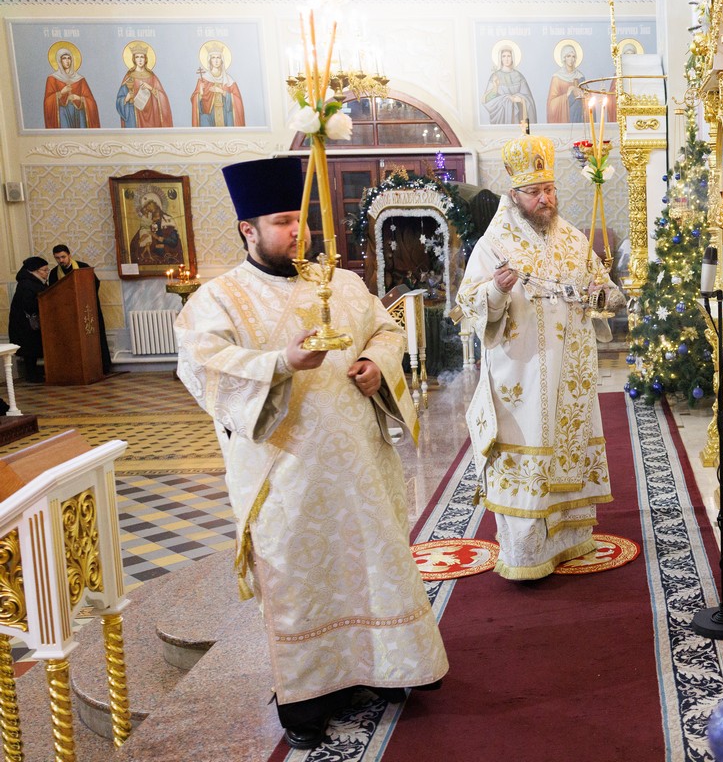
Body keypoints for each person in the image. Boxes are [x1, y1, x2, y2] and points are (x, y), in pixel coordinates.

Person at [175, 157, 448, 749]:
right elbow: (202, 366)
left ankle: (384, 666)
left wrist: (376, 363)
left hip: (359, 467)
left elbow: (388, 329)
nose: (296, 232)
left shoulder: (342, 284)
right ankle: (307, 700)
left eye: (299, 220)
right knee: (301, 582)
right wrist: (282, 362)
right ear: (247, 229)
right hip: (285, 475)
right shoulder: (218, 300)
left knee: (372, 565)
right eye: (281, 222)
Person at [455, 133, 626, 580]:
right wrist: (497, 289)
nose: (545, 199)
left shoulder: (570, 238)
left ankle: (569, 541)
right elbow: (468, 303)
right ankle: (526, 553)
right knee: (526, 452)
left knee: (568, 447)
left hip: (571, 372)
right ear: (515, 194)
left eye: (549, 189)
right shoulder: (494, 243)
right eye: (534, 192)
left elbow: (607, 292)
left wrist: (600, 294)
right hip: (522, 373)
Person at [48, 244, 112, 374]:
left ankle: (101, 367)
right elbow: (53, 292)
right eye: (57, 258)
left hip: (88, 308)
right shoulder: (54, 273)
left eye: (63, 257)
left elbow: (95, 284)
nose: (61, 260)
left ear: (69, 255)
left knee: (94, 337)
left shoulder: (83, 268)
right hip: (68, 312)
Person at [115, 41, 174, 128]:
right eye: (137, 57)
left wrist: (150, 88)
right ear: (134, 59)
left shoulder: (152, 77)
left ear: (145, 59)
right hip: (134, 116)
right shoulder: (129, 76)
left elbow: (162, 97)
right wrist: (126, 98)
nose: (139, 60)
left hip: (152, 116)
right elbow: (119, 100)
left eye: (142, 57)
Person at [8, 257, 49, 382]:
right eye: (44, 270)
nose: (47, 272)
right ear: (34, 271)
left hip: (31, 323)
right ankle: (32, 375)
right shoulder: (26, 284)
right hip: (25, 324)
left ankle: (34, 374)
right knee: (30, 350)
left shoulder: (34, 282)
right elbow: (29, 304)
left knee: (32, 349)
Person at [43, 44, 100, 129]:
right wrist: (61, 93)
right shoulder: (52, 79)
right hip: (63, 114)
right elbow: (47, 102)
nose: (67, 61)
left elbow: (92, 102)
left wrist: (79, 98)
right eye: (64, 58)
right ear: (59, 61)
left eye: (69, 58)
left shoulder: (80, 79)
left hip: (78, 114)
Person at [190, 41, 245, 127]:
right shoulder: (203, 79)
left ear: (222, 60)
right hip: (209, 118)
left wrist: (222, 91)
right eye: (213, 58)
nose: (216, 60)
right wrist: (200, 92)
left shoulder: (229, 80)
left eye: (218, 58)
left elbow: (238, 100)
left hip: (226, 118)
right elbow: (195, 101)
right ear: (210, 60)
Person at [482, 42, 536, 125]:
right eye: (504, 56)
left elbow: (529, 99)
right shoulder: (495, 76)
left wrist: (521, 99)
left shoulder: (519, 76)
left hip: (518, 118)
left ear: (512, 58)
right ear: (500, 58)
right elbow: (486, 100)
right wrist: (495, 88)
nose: (506, 59)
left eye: (509, 56)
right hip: (501, 118)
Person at [128, 192, 183, 266]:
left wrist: (161, 241)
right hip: (151, 259)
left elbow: (174, 242)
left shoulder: (167, 220)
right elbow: (133, 245)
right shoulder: (147, 223)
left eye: (149, 203)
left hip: (166, 256)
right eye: (146, 206)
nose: (148, 207)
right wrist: (140, 241)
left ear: (156, 202)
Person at [546, 42, 586, 124]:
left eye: (573, 56)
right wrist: (568, 94)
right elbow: (551, 105)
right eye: (568, 56)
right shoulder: (557, 77)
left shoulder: (580, 76)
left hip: (578, 117)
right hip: (565, 117)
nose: (571, 59)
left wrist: (583, 94)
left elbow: (588, 97)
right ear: (564, 58)